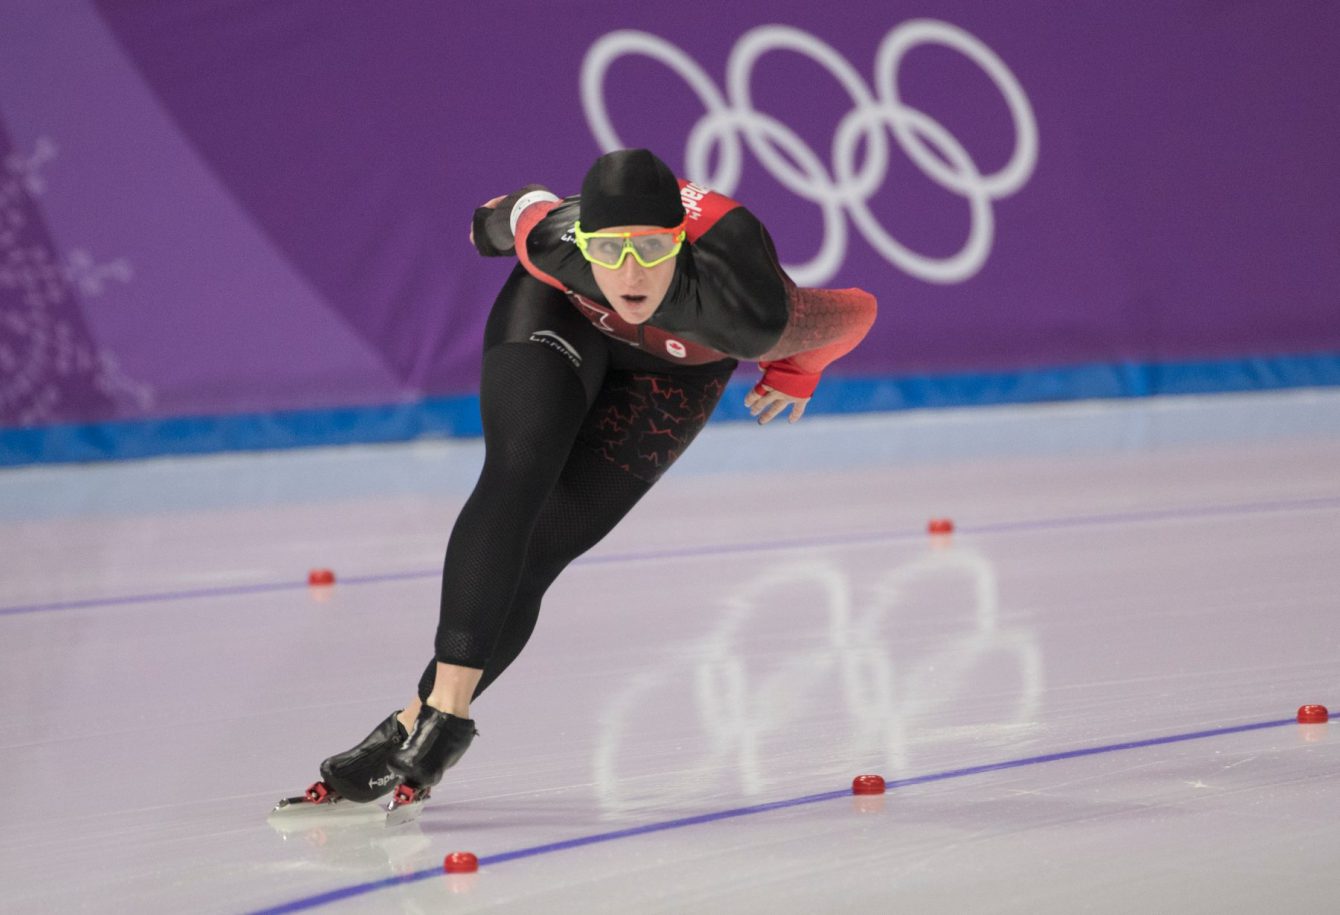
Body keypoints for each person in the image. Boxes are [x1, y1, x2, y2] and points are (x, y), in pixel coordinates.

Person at [309, 149, 877, 808]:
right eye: (609, 251)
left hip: (676, 370)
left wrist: (796, 367)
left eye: (649, 250)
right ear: (583, 239)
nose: (630, 273)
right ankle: (446, 720)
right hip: (562, 316)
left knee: (542, 550)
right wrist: (485, 225)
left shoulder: (748, 308)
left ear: (682, 244)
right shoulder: (557, 241)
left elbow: (857, 311)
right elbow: (511, 212)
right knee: (517, 473)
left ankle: (409, 725)